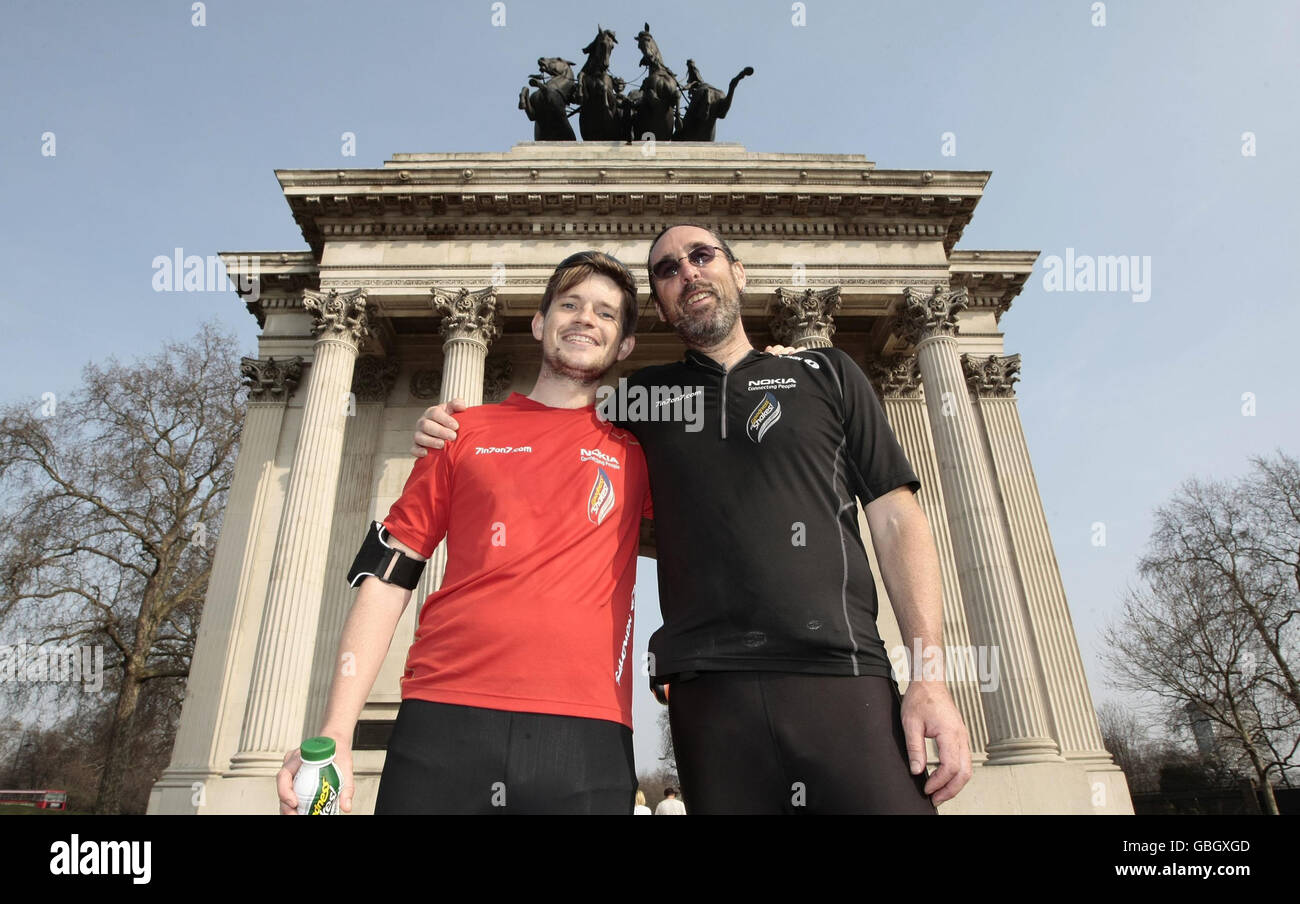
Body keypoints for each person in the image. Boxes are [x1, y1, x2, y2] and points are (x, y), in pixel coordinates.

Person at [414, 225, 973, 815]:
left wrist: (930, 678)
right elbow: (553, 440)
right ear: (659, 305)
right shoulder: (637, 401)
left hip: (841, 677)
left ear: (739, 272)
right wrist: (462, 428)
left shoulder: (827, 375)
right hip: (709, 699)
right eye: (667, 270)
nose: (687, 272)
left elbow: (897, 522)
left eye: (701, 256)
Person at [277, 251, 652, 815]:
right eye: (569, 305)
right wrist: (335, 731)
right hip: (444, 715)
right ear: (538, 322)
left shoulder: (642, 454)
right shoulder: (459, 432)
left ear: (622, 344)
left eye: (605, 313)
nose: (584, 319)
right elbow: (389, 572)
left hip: (586, 731)